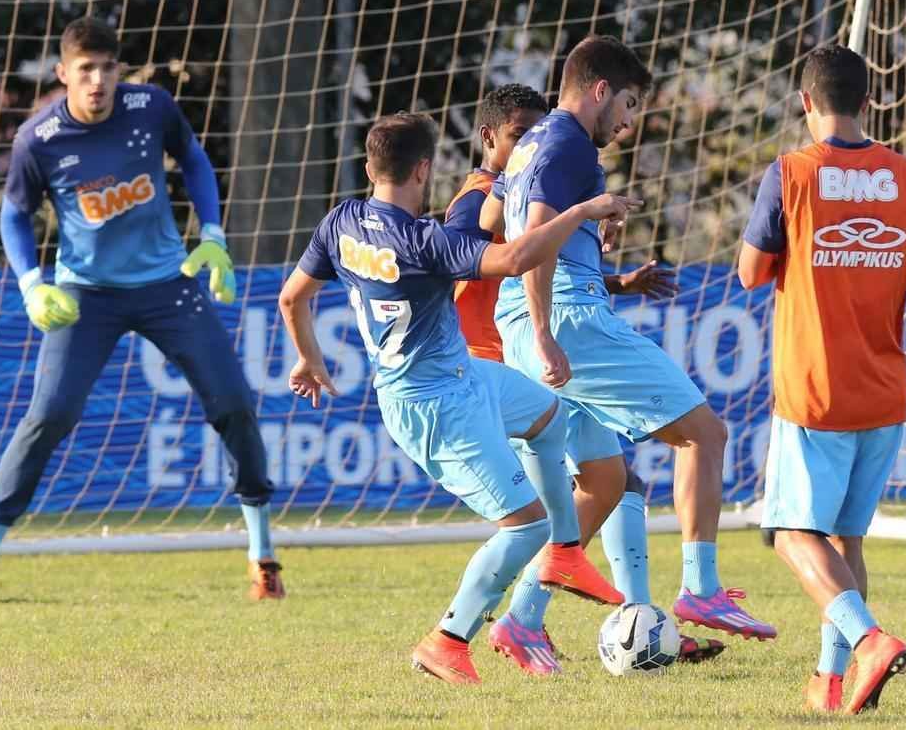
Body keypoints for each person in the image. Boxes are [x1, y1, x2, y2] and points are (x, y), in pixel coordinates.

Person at [278, 112, 636, 685]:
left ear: (370, 168)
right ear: (424, 169)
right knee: (523, 525)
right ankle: (447, 640)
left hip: (462, 376)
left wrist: (309, 357)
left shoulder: (342, 222)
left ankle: (567, 553)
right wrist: (583, 211)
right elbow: (517, 260)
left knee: (550, 416)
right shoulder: (425, 243)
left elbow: (293, 298)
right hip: (435, 406)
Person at [0, 16, 285, 604]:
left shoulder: (151, 106)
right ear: (63, 75)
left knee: (233, 402)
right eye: (85, 70)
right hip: (86, 295)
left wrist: (213, 235)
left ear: (117, 70)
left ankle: (263, 558)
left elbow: (196, 161)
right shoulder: (38, 138)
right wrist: (30, 283)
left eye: (106, 68)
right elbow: (13, 214)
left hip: (167, 284)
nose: (98, 80)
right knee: (49, 416)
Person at [479, 36, 777, 676]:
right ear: (599, 91)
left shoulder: (532, 143)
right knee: (704, 435)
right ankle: (700, 589)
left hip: (523, 324)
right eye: (629, 104)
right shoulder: (567, 144)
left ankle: (521, 620)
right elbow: (530, 239)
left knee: (606, 481)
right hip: (567, 322)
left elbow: (492, 216)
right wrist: (549, 328)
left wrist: (588, 228)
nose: (629, 121)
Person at [737, 44, 906, 714]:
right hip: (883, 392)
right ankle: (833, 680)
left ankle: (868, 639)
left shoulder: (790, 172)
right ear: (869, 103)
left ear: (806, 103)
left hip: (816, 391)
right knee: (846, 540)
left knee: (789, 532)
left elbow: (750, 273)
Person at [447, 83, 724, 671]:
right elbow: (495, 257)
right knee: (546, 512)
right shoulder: (477, 200)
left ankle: (624, 619)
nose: (531, 144)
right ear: (489, 138)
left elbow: (544, 250)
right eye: (519, 134)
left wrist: (614, 279)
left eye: (535, 131)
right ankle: (472, 633)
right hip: (504, 362)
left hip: (532, 347)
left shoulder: (526, 184)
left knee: (613, 481)